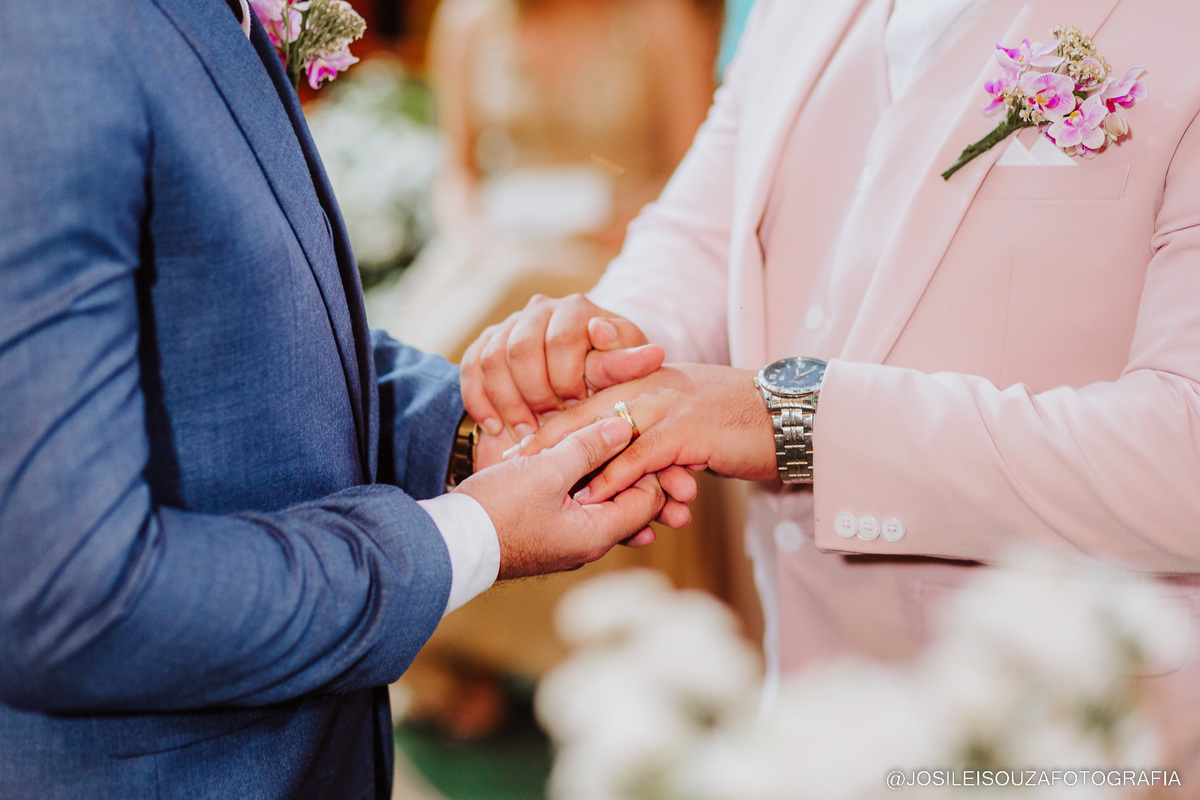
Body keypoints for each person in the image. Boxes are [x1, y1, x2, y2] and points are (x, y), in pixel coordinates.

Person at [460, 0, 1200, 770]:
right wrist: (602, 352)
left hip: (1069, 730)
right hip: (805, 708)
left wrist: (790, 418)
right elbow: (704, 235)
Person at [0, 1, 695, 797]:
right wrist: (473, 534)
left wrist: (471, 434)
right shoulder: (46, 42)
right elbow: (74, 602)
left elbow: (245, 339)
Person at [366, 0, 720, 363]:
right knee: (463, 284)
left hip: (615, 251)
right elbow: (457, 173)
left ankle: (395, 400)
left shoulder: (661, 21)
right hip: (494, 244)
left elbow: (698, 176)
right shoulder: (467, 19)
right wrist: (473, 232)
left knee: (512, 282)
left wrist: (621, 225)